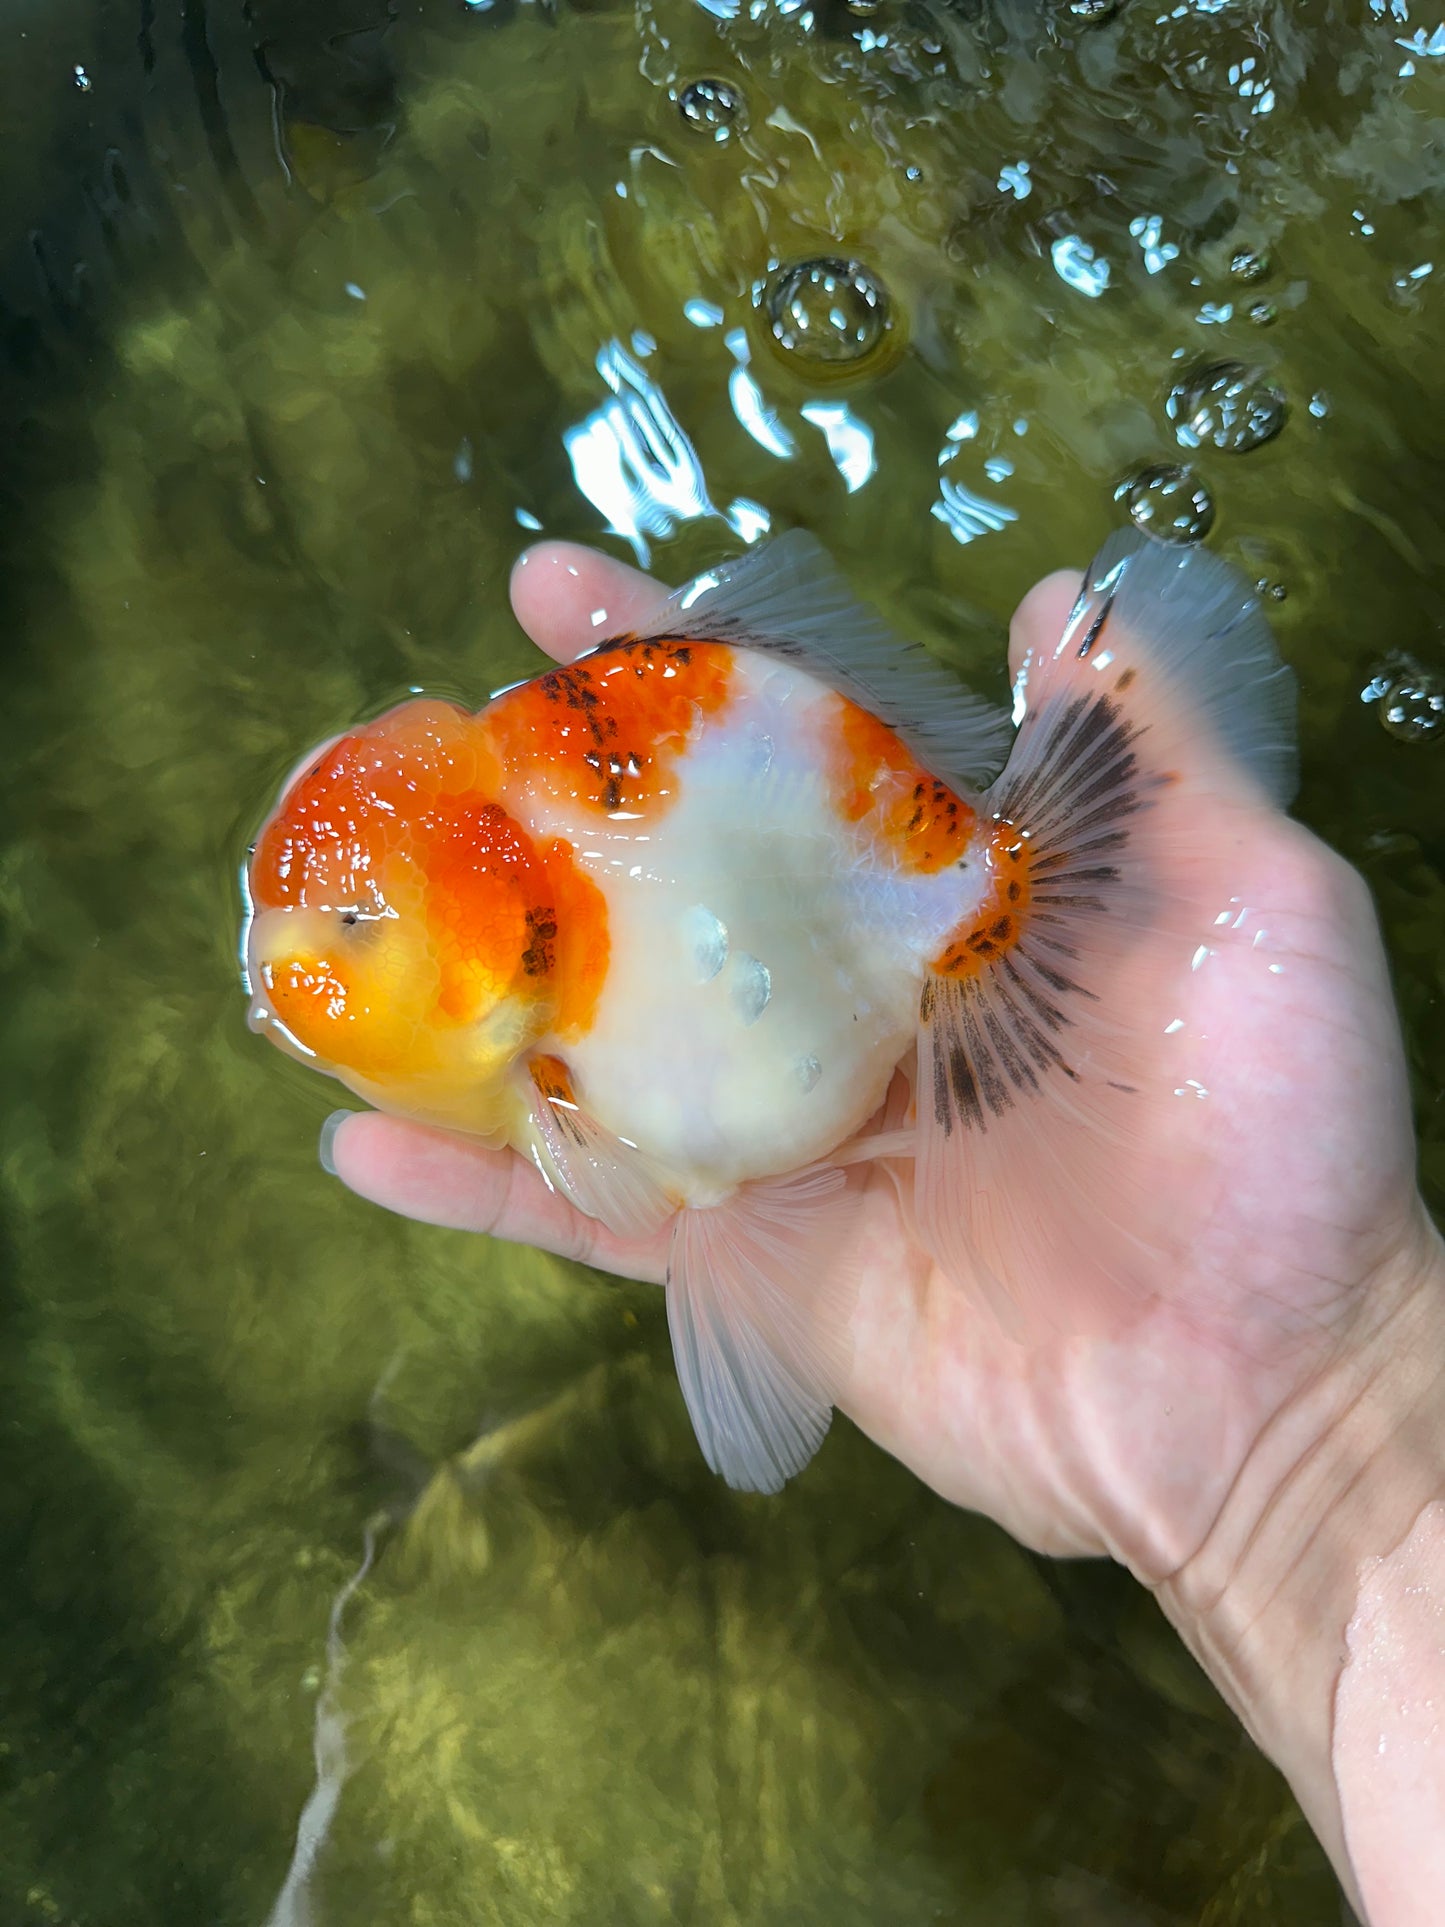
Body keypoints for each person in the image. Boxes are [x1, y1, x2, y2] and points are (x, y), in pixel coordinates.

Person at [318, 540, 1445, 1925]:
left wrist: (1315, 1438)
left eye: (354, 926)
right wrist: (1321, 1473)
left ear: (496, 926)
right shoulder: (531, 986)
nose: (302, 960)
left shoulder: (555, 1031)